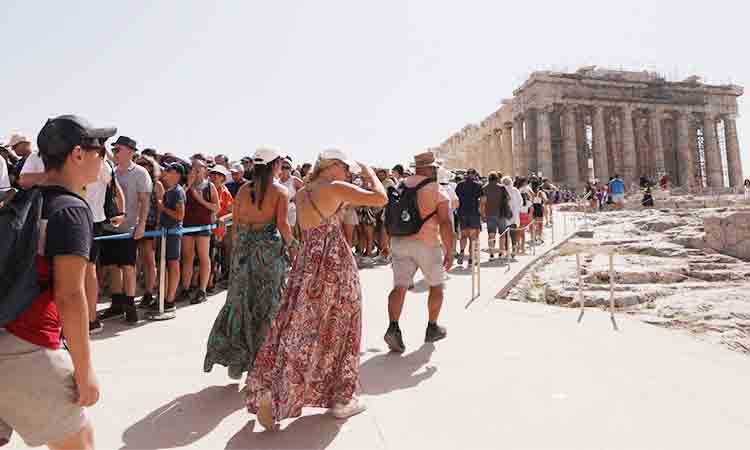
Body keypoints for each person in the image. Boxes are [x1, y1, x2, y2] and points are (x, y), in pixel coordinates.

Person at [245, 149, 387, 429]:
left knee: (296, 327)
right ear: (333, 166)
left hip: (307, 264)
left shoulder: (304, 191)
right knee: (342, 327)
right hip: (334, 264)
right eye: (346, 167)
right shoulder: (335, 187)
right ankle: (340, 398)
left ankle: (274, 392)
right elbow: (380, 199)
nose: (348, 173)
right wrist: (370, 174)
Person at [1, 114, 114, 449]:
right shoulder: (70, 210)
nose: (102, 158)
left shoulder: (18, 202)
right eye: (100, 150)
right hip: (27, 346)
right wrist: (84, 371)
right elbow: (70, 296)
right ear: (78, 154)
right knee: (80, 441)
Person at [204, 148, 293, 380]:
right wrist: (296, 247)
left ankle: (237, 360)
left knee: (240, 303)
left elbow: (239, 223)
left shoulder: (243, 190)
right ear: (274, 166)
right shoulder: (280, 192)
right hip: (267, 255)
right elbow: (283, 226)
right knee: (266, 306)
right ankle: (259, 362)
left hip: (243, 252)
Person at [384, 152, 454, 354]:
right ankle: (432, 327)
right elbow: (445, 222)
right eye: (433, 168)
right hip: (427, 243)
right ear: (428, 169)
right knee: (436, 285)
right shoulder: (436, 189)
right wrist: (450, 251)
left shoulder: (401, 185)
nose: (435, 171)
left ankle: (393, 327)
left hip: (399, 241)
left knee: (399, 287)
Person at [98, 136, 152, 324]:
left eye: (118, 149)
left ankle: (130, 306)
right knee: (112, 266)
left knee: (128, 267)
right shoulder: (109, 170)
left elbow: (145, 200)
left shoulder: (140, 173)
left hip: (129, 228)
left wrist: (142, 223)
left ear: (130, 151)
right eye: (114, 150)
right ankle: (116, 304)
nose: (115, 153)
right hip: (108, 227)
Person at [178, 158, 220, 304]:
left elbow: (216, 207)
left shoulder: (210, 186)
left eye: (199, 167)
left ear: (205, 170)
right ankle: (185, 288)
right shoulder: (185, 186)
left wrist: (200, 200)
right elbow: (178, 200)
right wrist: (188, 186)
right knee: (187, 257)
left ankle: (202, 289)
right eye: (193, 167)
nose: (195, 170)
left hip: (203, 226)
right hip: (187, 225)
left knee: (203, 257)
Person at [155, 163, 186, 312]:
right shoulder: (169, 190)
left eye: (170, 171)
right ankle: (164, 296)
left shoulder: (178, 192)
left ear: (177, 175)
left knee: (173, 264)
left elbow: (180, 215)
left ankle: (170, 299)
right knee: (163, 265)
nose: (166, 173)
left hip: (173, 233)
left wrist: (163, 208)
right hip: (164, 232)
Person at [135, 156, 164, 309]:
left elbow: (160, 209)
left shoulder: (156, 184)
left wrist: (158, 227)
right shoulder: (135, 180)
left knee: (149, 260)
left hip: (151, 225)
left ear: (151, 167)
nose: (142, 166)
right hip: (134, 224)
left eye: (145, 164)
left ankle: (149, 292)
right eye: (139, 164)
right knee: (138, 260)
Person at [208, 165, 234, 289]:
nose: (213, 177)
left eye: (217, 175)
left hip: (221, 231)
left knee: (219, 256)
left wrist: (223, 219)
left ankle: (215, 281)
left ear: (223, 178)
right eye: (212, 174)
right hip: (207, 229)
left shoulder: (225, 192)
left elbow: (233, 211)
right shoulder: (205, 189)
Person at [455, 168, 482, 266]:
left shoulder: (460, 185)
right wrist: (482, 213)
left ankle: (462, 252)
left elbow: (456, 199)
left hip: (462, 212)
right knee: (473, 237)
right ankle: (471, 258)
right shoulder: (478, 185)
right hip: (474, 213)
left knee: (463, 236)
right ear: (474, 175)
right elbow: (482, 199)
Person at [480, 172, 511, 260]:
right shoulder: (502, 187)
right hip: (501, 213)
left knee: (491, 234)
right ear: (497, 178)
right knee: (502, 234)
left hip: (489, 214)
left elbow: (482, 202)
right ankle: (501, 253)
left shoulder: (484, 188)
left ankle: (491, 254)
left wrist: (482, 214)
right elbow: (508, 198)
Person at [279, 156, 304, 228]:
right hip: (280, 209)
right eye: (282, 167)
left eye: (287, 167)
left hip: (292, 209)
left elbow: (305, 190)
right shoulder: (277, 180)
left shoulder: (294, 180)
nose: (284, 169)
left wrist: (296, 197)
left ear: (290, 169)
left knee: (291, 231)